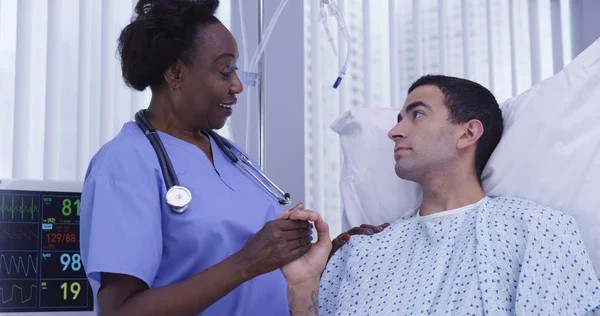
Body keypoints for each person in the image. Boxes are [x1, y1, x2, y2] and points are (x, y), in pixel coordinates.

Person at [78, 0, 385, 315]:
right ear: (175, 73)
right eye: (225, 71)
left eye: (236, 71)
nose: (237, 85)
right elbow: (120, 311)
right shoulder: (125, 164)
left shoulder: (234, 158)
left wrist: (316, 259)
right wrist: (247, 262)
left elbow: (268, 279)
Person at [279, 75, 600, 315]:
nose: (394, 132)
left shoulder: (536, 230)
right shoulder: (360, 252)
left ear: (468, 133)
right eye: (398, 119)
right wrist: (303, 283)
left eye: (416, 114)